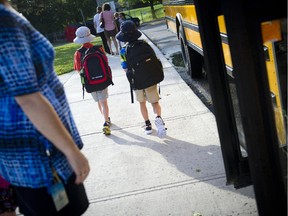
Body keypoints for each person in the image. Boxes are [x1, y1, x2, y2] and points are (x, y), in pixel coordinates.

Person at [0, 1, 90, 215]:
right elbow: (28, 98)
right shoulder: (3, 20)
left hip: (30, 151)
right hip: (40, 152)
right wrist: (71, 151)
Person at [116, 20, 167, 138]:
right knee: (154, 102)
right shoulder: (144, 44)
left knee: (142, 103)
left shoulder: (123, 50)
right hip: (149, 77)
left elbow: (124, 67)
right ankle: (158, 118)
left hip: (136, 80)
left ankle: (148, 125)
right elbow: (154, 58)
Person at [73, 26, 112, 135]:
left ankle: (106, 119)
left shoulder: (78, 53)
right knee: (104, 101)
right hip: (103, 80)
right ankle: (106, 121)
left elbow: (78, 70)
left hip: (90, 82)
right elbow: (106, 62)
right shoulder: (99, 49)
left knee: (99, 102)